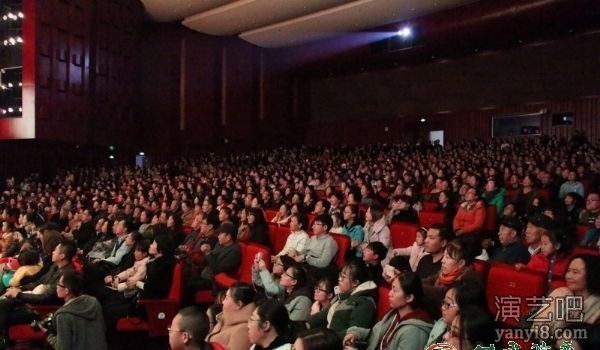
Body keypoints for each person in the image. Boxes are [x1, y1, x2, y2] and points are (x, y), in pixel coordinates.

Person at [343, 271, 433, 350]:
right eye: (391, 289)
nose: (390, 294)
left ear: (409, 298)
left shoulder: (414, 332)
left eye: (395, 290)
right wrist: (355, 334)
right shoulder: (394, 314)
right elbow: (374, 334)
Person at [532, 255, 600, 338]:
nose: (569, 276)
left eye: (575, 272)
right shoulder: (560, 293)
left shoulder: (597, 306)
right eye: (568, 271)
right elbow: (537, 328)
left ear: (591, 275)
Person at [307, 261, 377, 337]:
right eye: (340, 275)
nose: (339, 279)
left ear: (355, 283)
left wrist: (324, 339)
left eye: (343, 277)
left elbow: (352, 334)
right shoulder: (342, 296)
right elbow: (324, 314)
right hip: (328, 335)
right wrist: (306, 324)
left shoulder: (364, 303)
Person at [43, 270, 108, 350]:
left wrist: (48, 334)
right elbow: (103, 330)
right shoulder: (94, 302)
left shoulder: (63, 315)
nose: (56, 286)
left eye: (58, 284)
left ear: (67, 291)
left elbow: (62, 347)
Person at [206, 282, 257, 350]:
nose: (223, 302)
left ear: (238, 304)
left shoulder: (243, 331)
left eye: (226, 298)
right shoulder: (223, 320)